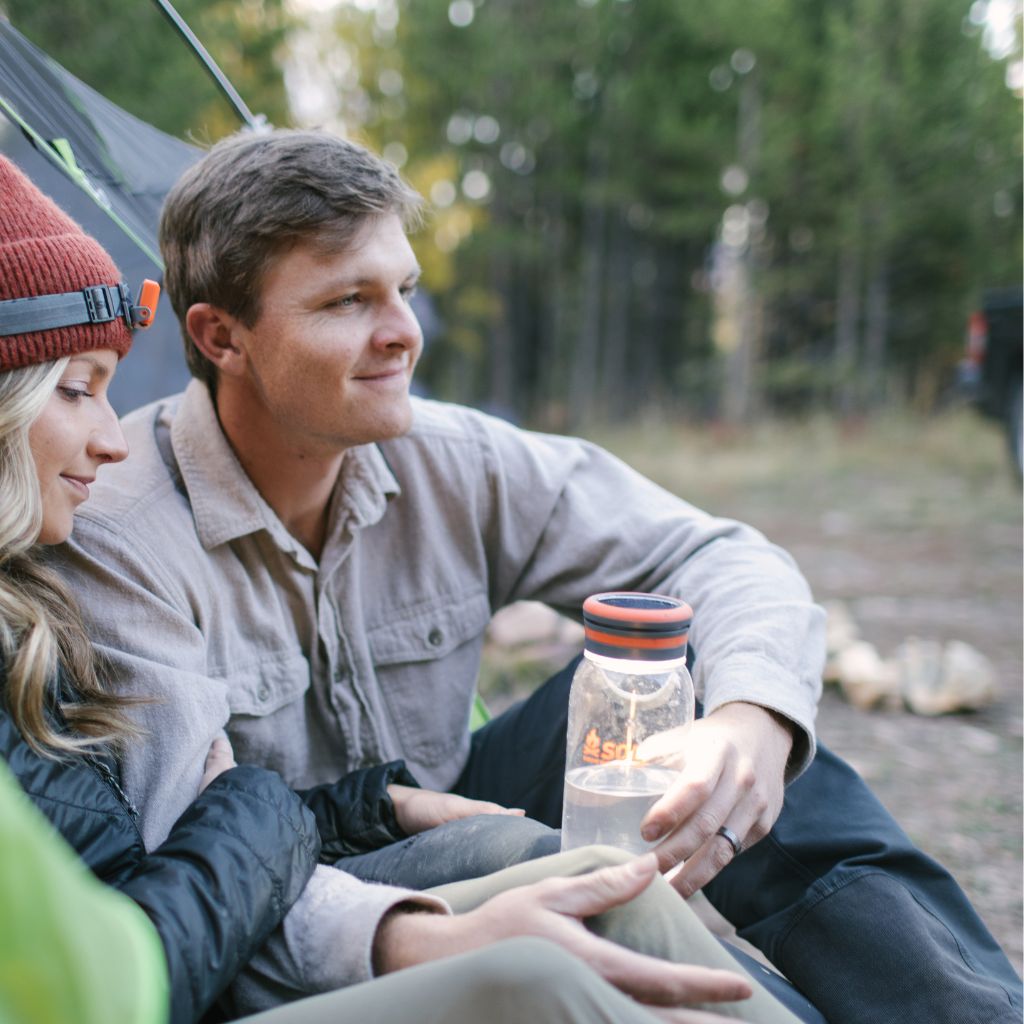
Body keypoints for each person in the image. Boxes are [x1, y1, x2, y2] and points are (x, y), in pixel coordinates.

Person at [52, 129, 1021, 1023]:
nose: (403, 332)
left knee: (692, 706)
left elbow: (720, 555)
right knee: (518, 857)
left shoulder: (451, 455)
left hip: (448, 792)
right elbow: (199, 862)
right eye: (348, 301)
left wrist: (751, 717)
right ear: (221, 337)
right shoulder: (117, 524)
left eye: (405, 288)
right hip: (297, 892)